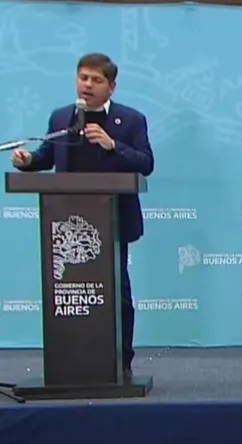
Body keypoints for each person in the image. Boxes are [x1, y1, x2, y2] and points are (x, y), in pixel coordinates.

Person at [11, 53, 154, 380]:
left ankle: (122, 362)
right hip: (66, 223)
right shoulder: (62, 117)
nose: (87, 85)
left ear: (111, 87)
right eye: (83, 78)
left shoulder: (131, 120)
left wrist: (112, 145)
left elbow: (146, 163)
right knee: (69, 294)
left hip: (112, 223)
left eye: (96, 80)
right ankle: (71, 361)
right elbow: (47, 156)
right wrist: (27, 161)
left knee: (118, 294)